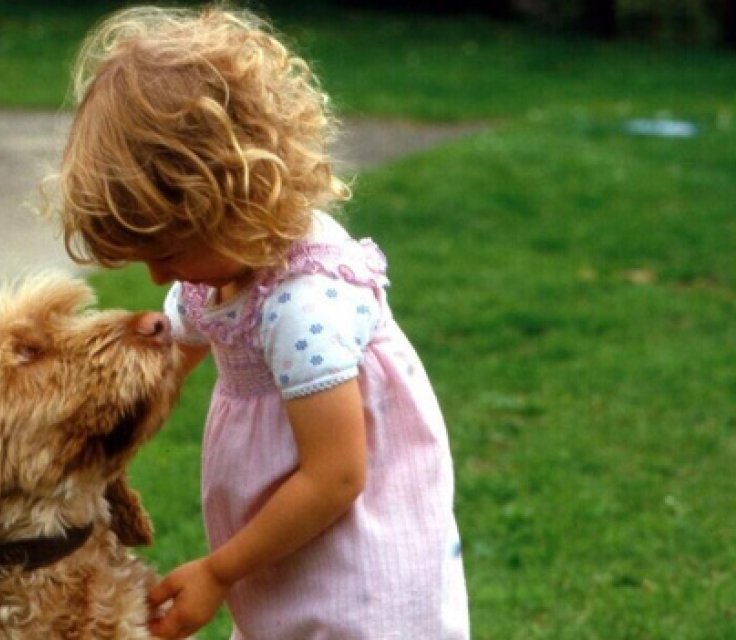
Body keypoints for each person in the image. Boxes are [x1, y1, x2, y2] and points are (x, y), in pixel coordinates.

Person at [51, 5, 470, 639]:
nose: (159, 279)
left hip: (360, 578)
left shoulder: (305, 307)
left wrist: (219, 573)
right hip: (292, 551)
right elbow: (166, 361)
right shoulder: (218, 271)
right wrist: (86, 440)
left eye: (164, 253)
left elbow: (336, 477)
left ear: (227, 203)